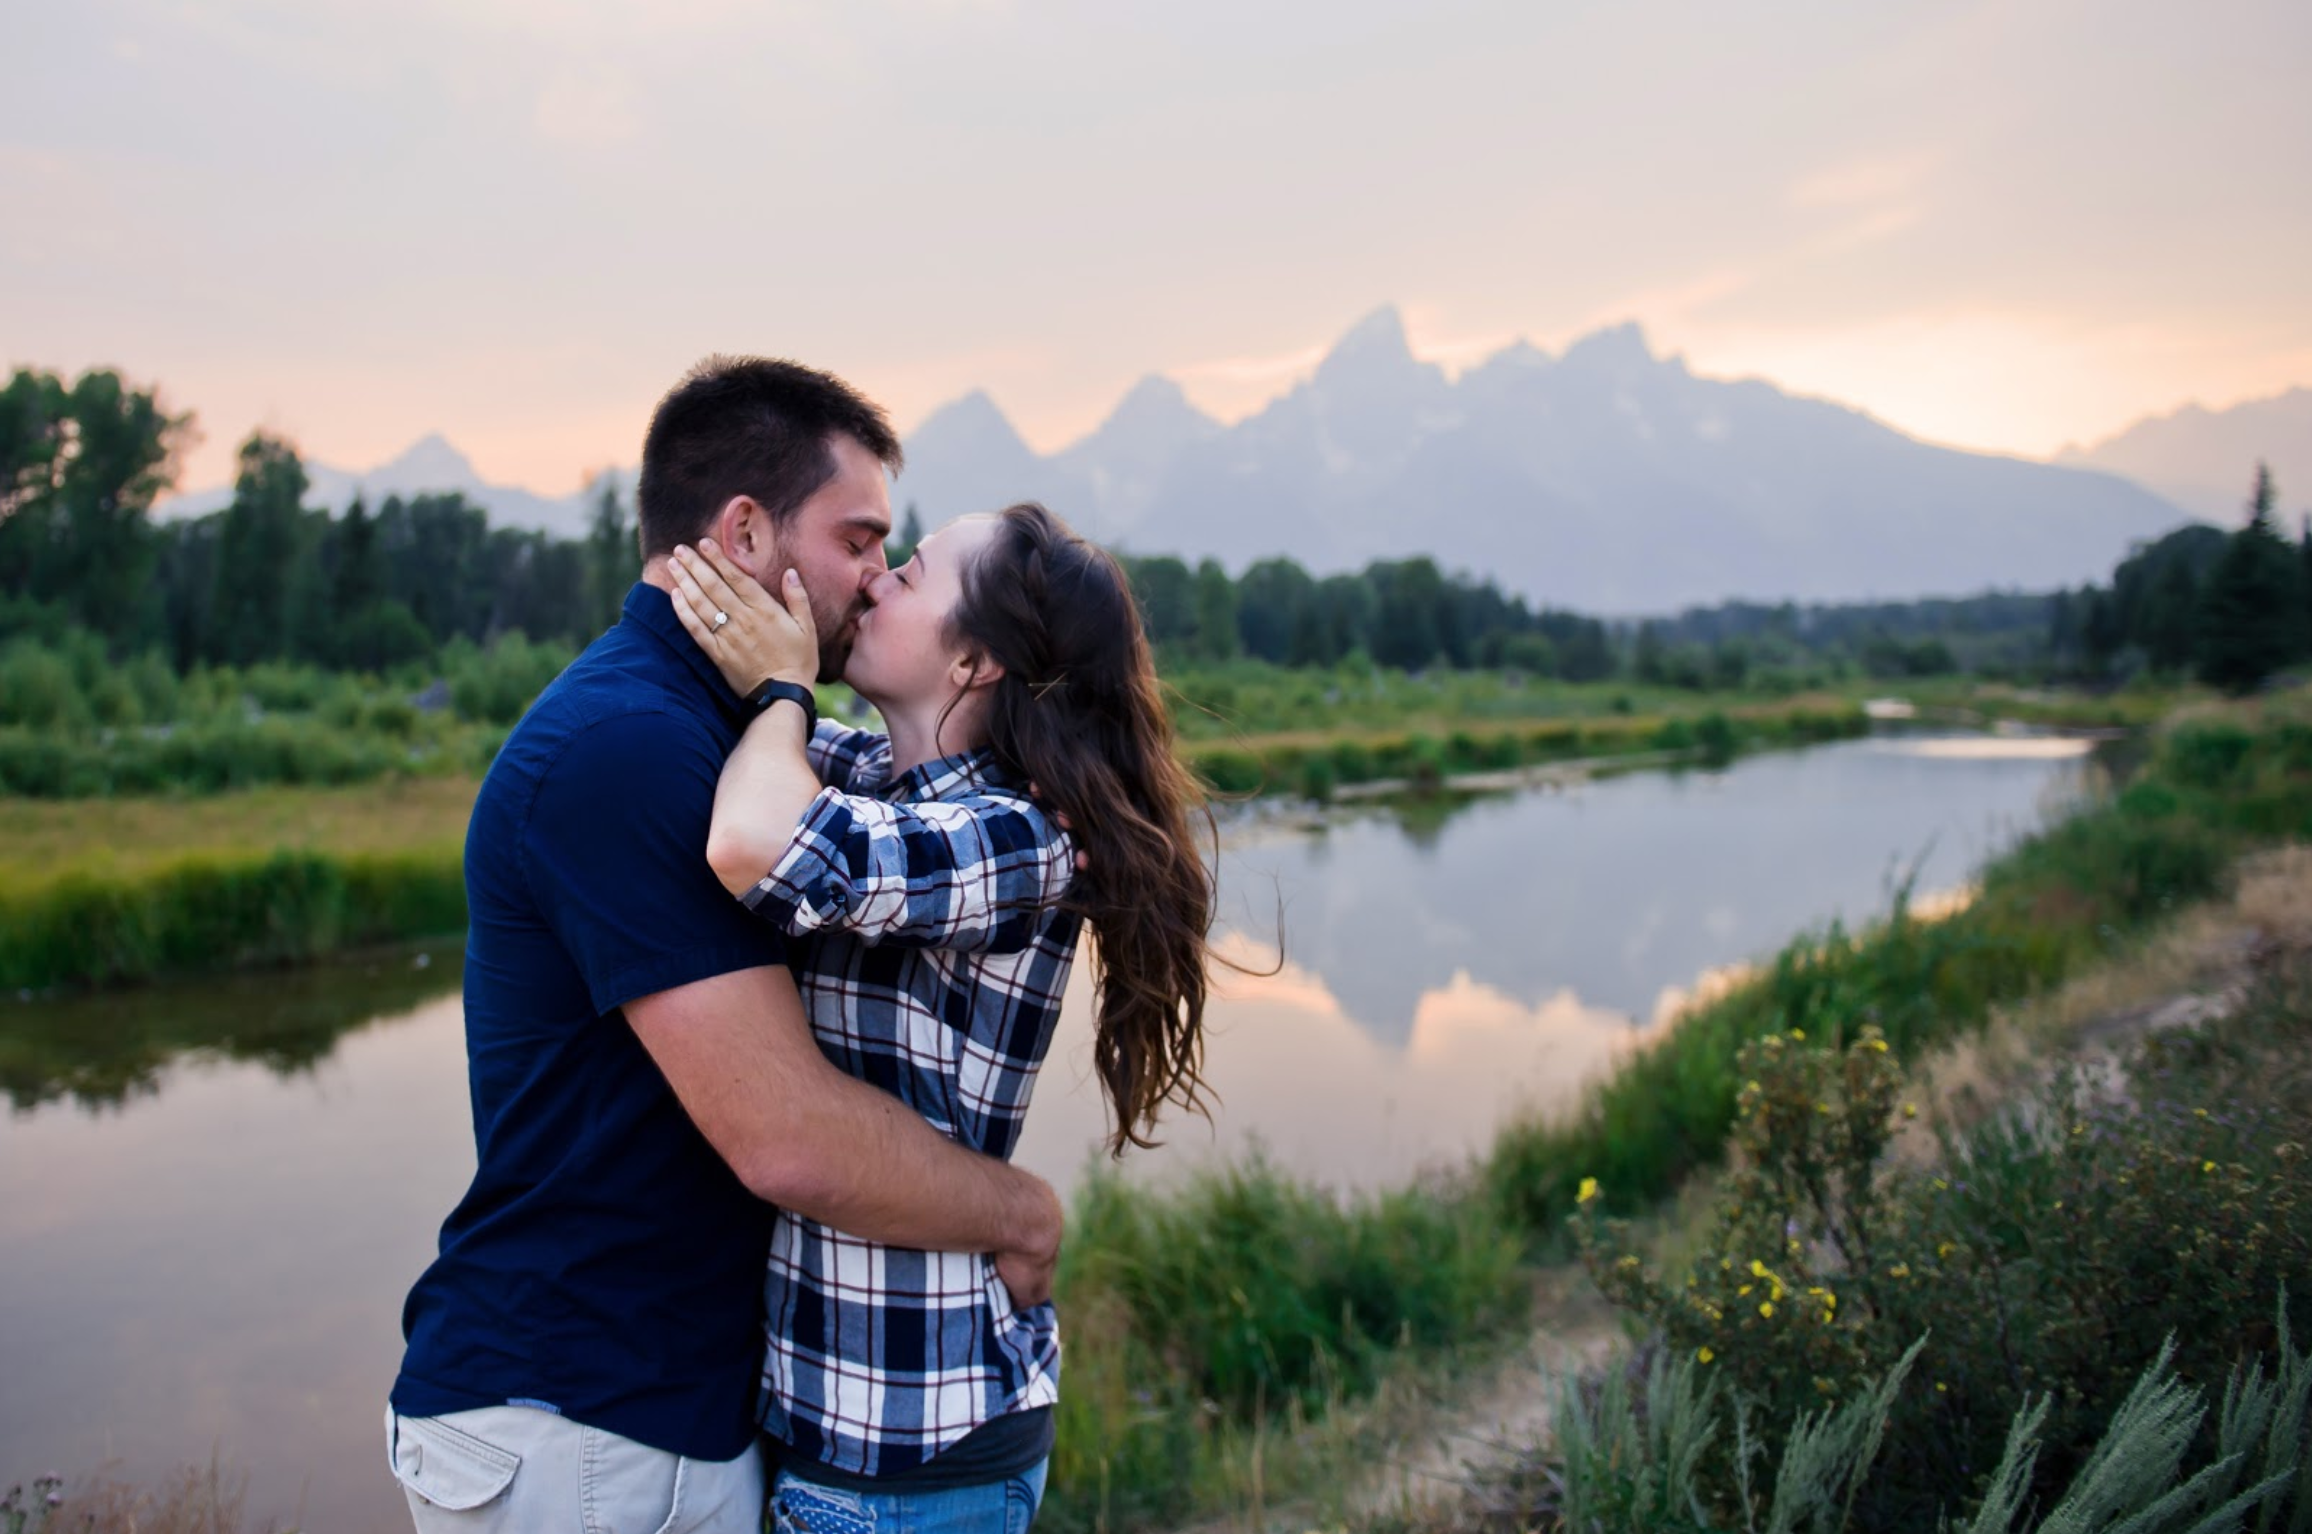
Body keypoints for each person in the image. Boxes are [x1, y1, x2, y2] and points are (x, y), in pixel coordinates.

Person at [385, 358, 1065, 1534]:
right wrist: (1016, 1211)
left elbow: (923, 814)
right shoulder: (632, 745)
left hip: (655, 1414)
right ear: (745, 531)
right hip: (585, 1423)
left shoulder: (740, 728)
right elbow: (788, 1137)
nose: (873, 576)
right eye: (859, 538)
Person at [661, 500, 1218, 1530]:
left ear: (975, 664)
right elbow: (775, 774)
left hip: (912, 1453)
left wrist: (781, 689)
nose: (874, 580)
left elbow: (754, 845)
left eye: (908, 575)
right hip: (844, 1428)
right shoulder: (875, 780)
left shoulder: (1018, 841)